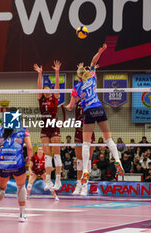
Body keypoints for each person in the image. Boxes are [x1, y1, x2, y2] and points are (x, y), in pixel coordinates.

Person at [65, 43, 124, 190]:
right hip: (99, 108)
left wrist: (64, 107)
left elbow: (72, 105)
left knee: (86, 144)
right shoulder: (92, 77)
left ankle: (85, 171)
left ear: (78, 76)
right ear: (86, 72)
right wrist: (101, 51)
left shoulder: (76, 88)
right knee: (108, 139)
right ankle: (117, 160)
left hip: (89, 112)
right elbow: (93, 62)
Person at [0, 107, 33, 223]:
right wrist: (28, 159)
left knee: (0, 188)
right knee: (21, 187)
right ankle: (22, 215)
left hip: (3, 164)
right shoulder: (23, 130)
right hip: (18, 163)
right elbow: (29, 148)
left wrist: (3, 152)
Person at [34, 60, 62, 190]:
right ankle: (48, 181)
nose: (45, 91)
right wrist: (40, 74)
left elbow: (57, 85)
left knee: (56, 155)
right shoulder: (41, 99)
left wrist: (57, 72)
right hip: (44, 129)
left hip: (54, 127)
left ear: (50, 91)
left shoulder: (55, 97)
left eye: (47, 89)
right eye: (44, 90)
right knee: (47, 157)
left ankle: (58, 180)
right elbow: (39, 88)